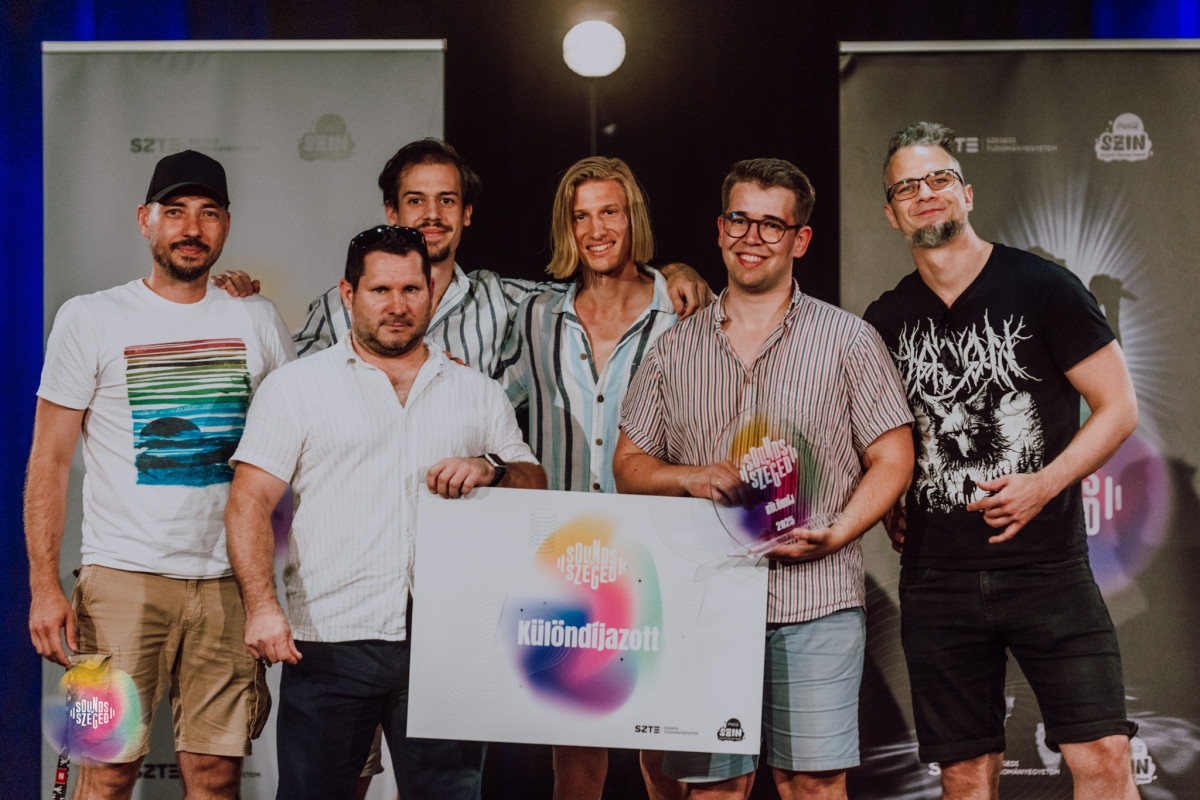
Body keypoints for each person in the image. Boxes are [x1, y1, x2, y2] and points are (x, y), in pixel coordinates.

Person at [613, 158, 914, 800]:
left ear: (800, 240)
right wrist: (691, 478)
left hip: (816, 600)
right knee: (713, 790)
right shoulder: (673, 349)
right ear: (720, 229)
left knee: (813, 785)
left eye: (772, 225)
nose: (752, 238)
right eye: (740, 220)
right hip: (704, 603)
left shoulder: (849, 341)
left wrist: (839, 532)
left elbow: (894, 457)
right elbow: (629, 466)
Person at [862, 121, 1140, 800]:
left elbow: (1118, 408)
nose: (925, 193)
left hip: (1048, 568)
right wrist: (889, 497)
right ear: (891, 212)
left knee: (1104, 756)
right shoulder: (884, 319)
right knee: (965, 774)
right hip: (936, 577)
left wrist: (1045, 483)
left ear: (966, 193)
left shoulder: (1043, 286)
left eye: (939, 178)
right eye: (907, 186)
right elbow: (881, 438)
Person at [224, 224, 547, 800]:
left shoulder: (477, 391)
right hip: (329, 638)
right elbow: (249, 500)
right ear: (349, 294)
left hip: (447, 644)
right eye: (381, 290)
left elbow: (534, 482)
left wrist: (492, 467)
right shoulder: (296, 387)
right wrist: (261, 606)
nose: (398, 306)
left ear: (431, 292)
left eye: (411, 290)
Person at [25, 150, 295, 799]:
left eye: (208, 213)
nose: (191, 228)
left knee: (217, 777)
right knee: (105, 772)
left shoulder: (257, 318)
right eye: (175, 212)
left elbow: (294, 447)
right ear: (145, 220)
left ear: (226, 224)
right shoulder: (89, 317)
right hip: (120, 581)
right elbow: (49, 459)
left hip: (229, 584)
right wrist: (43, 585)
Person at [496, 156, 680, 800]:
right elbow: (491, 408)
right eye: (581, 217)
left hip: (657, 553)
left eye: (610, 212)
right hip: (565, 558)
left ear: (634, 219)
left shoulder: (683, 312)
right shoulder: (536, 317)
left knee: (661, 749)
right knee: (575, 757)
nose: (596, 230)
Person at [291, 138, 712, 372]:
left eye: (447, 200)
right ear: (392, 211)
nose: (432, 215)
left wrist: (672, 271)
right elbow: (288, 398)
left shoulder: (509, 303)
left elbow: (600, 287)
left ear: (467, 213)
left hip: (465, 500)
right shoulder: (335, 308)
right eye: (416, 200)